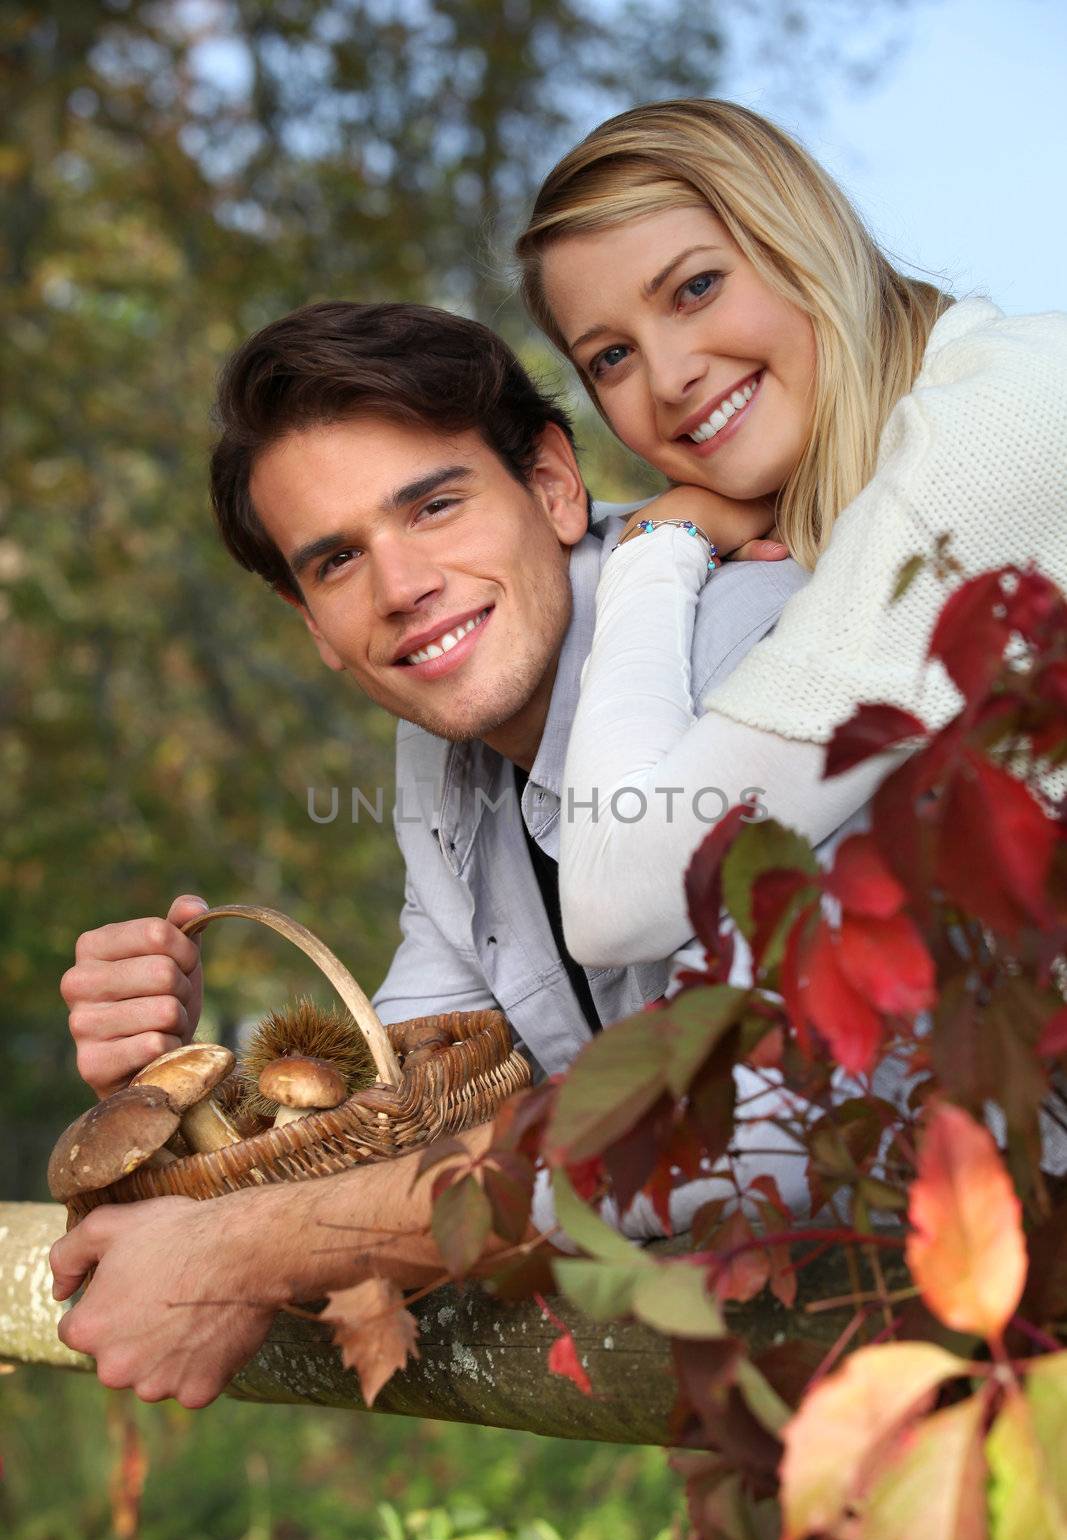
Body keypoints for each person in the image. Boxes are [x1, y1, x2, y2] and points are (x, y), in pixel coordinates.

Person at [52, 300, 809, 1407]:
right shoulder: (443, 750)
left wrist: (240, 1251)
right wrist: (177, 1102)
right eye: (336, 560)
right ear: (310, 623)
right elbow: (404, 1115)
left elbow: (744, 1125)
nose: (401, 586)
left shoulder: (745, 655)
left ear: (552, 486)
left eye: (435, 505)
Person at [514, 98, 1067, 969]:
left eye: (695, 288)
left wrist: (653, 555)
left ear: (798, 238)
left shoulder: (987, 433)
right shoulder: (854, 507)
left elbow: (613, 898)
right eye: (610, 358)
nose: (668, 377)